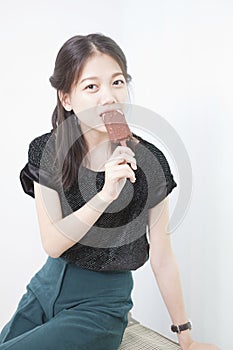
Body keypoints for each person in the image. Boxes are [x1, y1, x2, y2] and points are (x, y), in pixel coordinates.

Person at [0, 33, 218, 350]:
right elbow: (53, 244)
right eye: (92, 86)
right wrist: (104, 195)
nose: (109, 97)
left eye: (117, 82)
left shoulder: (149, 162)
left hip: (100, 307)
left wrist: (185, 335)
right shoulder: (47, 150)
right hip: (42, 290)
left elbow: (162, 256)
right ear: (67, 98)